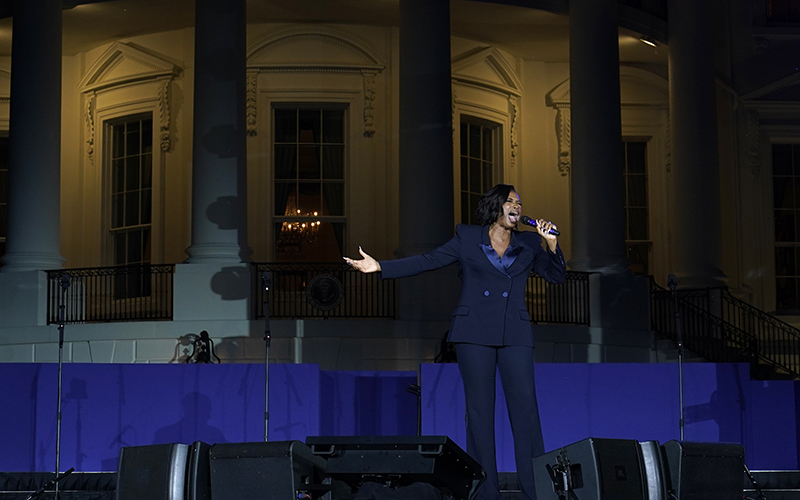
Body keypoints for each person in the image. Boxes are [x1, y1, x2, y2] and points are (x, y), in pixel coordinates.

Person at [344, 184, 566, 500]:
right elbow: (429, 260)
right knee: (479, 414)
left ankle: (539, 491)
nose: (516, 206)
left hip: (515, 334)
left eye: (519, 202)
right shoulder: (467, 238)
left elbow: (556, 277)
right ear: (495, 207)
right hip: (473, 333)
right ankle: (486, 494)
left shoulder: (530, 243)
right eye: (510, 201)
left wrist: (553, 245)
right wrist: (381, 266)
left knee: (526, 412)